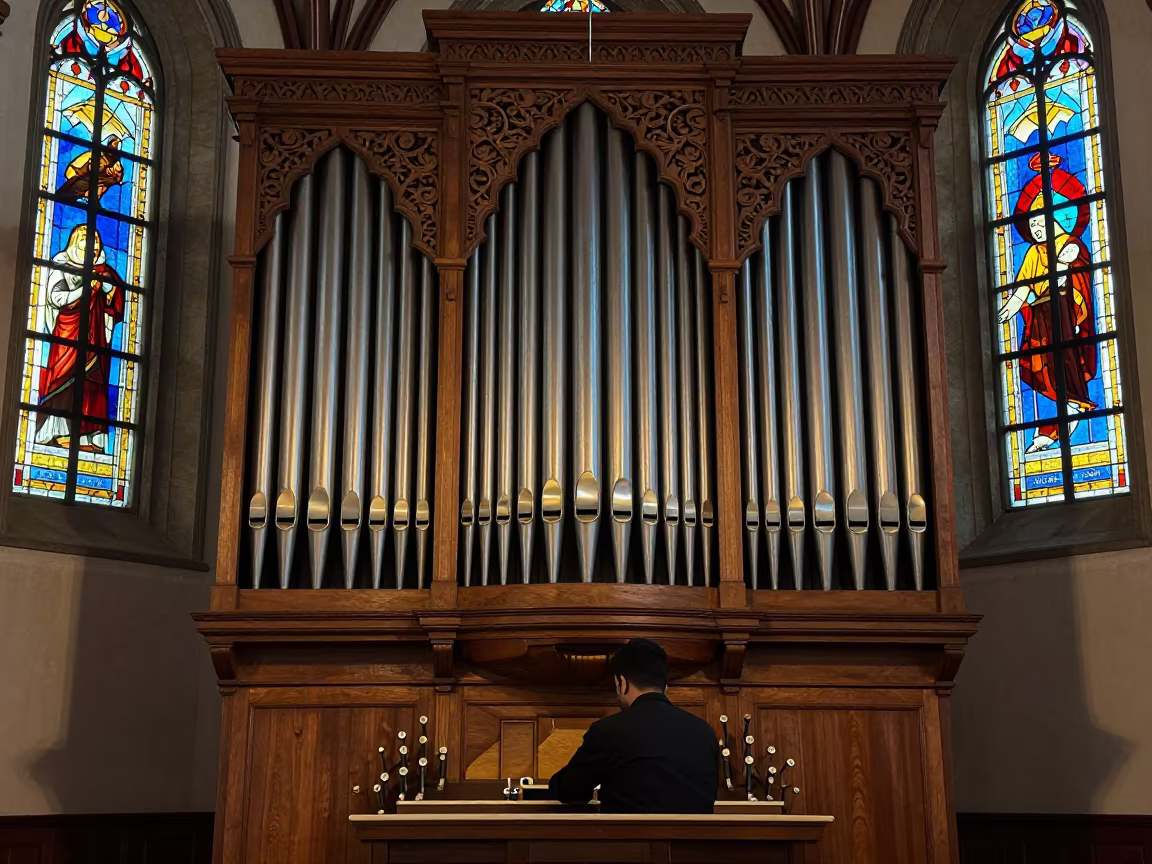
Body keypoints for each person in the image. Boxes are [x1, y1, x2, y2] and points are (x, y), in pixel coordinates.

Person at [548, 639, 718, 814]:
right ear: (665, 687)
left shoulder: (608, 730)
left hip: (631, 840)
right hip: (694, 840)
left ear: (622, 683)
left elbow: (570, 791)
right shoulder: (705, 732)